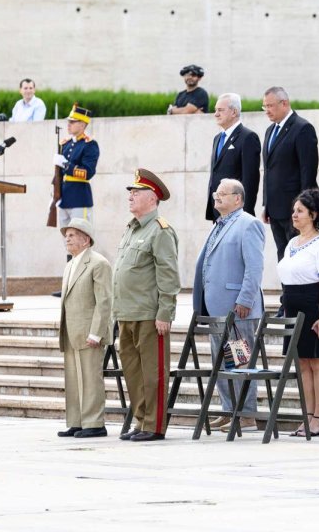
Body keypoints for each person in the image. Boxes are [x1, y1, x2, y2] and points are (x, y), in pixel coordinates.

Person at [113, 168, 180, 441]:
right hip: (127, 313)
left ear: (152, 198)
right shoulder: (131, 229)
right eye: (130, 191)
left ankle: (154, 425)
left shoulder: (160, 231)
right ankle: (140, 421)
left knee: (153, 374)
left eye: (136, 192)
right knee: (133, 373)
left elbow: (169, 275)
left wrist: (165, 312)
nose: (130, 196)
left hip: (150, 315)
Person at [193, 178, 264, 428]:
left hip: (238, 310)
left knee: (240, 361)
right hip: (217, 308)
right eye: (216, 193)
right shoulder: (219, 224)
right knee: (220, 363)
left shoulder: (248, 224)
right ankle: (228, 409)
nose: (217, 197)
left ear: (238, 198)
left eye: (223, 193)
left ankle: (245, 414)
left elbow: (254, 267)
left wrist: (245, 299)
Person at [276, 189, 319, 437]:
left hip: (313, 307)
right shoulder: (292, 243)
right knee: (301, 363)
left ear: (313, 214)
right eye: (294, 210)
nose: (294, 215)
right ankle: (308, 415)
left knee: (317, 361)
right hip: (292, 309)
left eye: (299, 211)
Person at [57, 218, 111, 439]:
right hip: (71, 331)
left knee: (90, 378)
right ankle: (77, 421)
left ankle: (95, 423)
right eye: (66, 235)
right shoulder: (70, 264)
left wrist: (96, 332)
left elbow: (104, 301)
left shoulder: (99, 263)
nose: (67, 239)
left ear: (86, 239)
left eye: (72, 235)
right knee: (73, 379)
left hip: (90, 332)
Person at [260, 86, 319, 260]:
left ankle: (297, 289)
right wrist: (266, 204)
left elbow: (307, 171)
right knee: (283, 255)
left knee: (298, 255)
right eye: (265, 106)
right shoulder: (270, 131)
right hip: (274, 208)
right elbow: (269, 170)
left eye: (270, 106)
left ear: (284, 103)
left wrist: (303, 206)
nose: (267, 111)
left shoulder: (302, 128)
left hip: (294, 207)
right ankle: (287, 288)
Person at [205, 93, 260, 221]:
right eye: (215, 110)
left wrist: (245, 212)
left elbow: (250, 179)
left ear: (234, 112)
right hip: (218, 209)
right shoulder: (217, 139)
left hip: (236, 212)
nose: (216, 114)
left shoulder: (248, 137)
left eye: (220, 110)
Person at [55, 104, 99, 228]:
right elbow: (59, 174)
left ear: (83, 124)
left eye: (73, 122)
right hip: (63, 199)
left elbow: (87, 173)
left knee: (81, 235)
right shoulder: (65, 144)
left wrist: (65, 164)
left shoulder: (89, 145)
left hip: (79, 198)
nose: (69, 124)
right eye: (69, 121)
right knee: (67, 239)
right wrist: (55, 190)